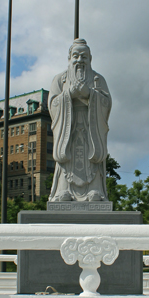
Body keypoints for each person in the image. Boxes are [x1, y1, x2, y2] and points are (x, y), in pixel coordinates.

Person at [48, 39, 112, 202]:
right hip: (68, 126)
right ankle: (64, 191)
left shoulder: (98, 79)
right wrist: (69, 94)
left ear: (90, 58)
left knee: (92, 156)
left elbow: (107, 103)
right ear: (69, 58)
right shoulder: (60, 79)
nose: (79, 60)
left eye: (84, 57)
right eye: (75, 56)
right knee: (67, 155)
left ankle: (95, 190)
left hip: (91, 126)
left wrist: (90, 94)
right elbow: (52, 103)